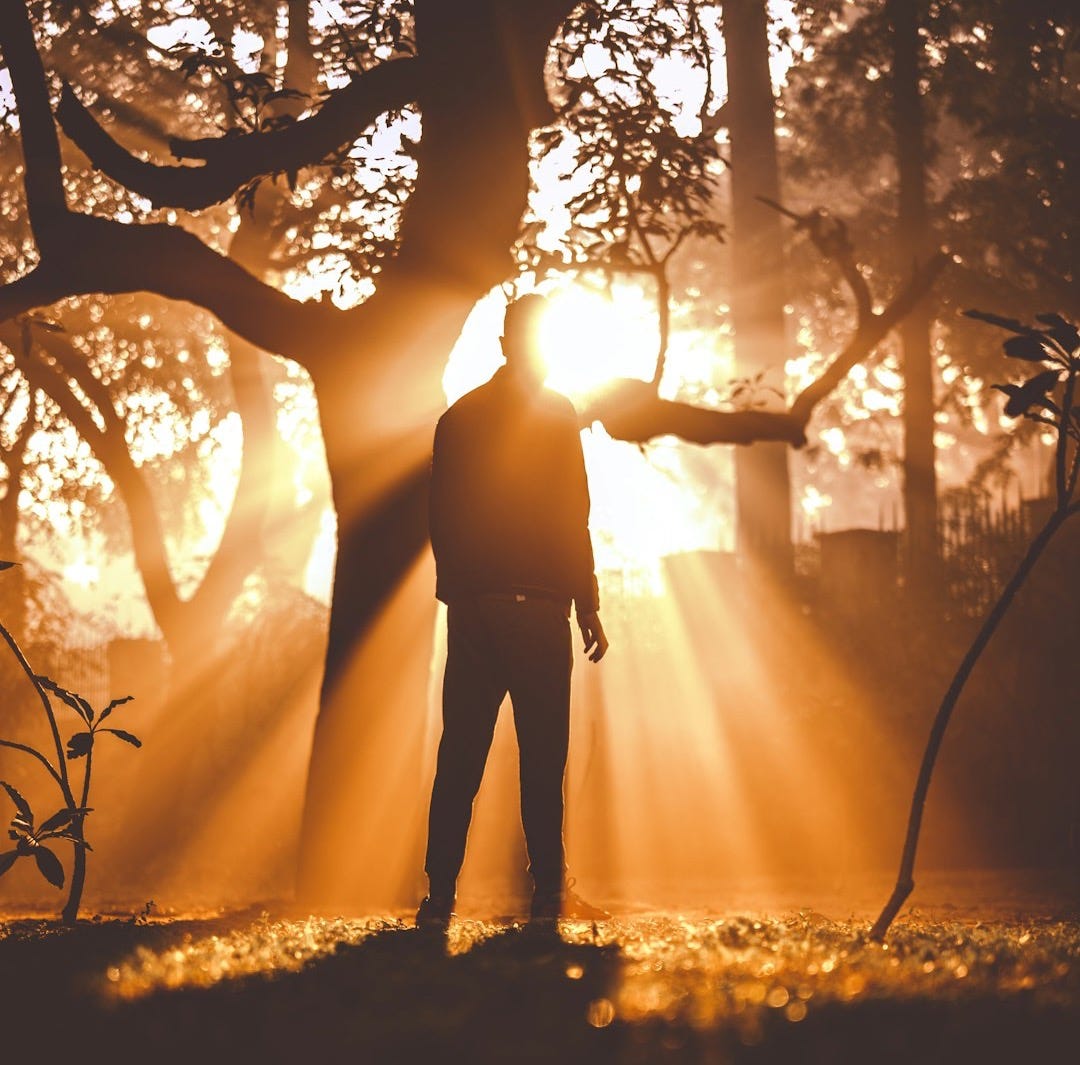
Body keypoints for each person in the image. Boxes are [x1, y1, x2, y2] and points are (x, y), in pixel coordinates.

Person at [417, 293, 609, 931]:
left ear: (503, 345)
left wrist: (460, 593)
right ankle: (548, 894)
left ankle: (439, 896)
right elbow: (572, 514)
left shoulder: (459, 417)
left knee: (461, 755)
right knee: (543, 758)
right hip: (539, 607)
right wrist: (587, 602)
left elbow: (441, 514)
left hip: (477, 607)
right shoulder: (557, 415)